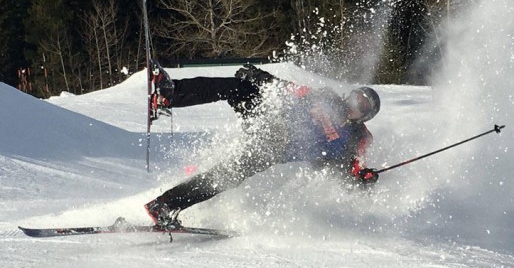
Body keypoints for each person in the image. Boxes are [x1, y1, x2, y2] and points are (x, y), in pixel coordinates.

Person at [144, 64, 381, 229]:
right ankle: (170, 95)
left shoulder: (358, 137)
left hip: (275, 149)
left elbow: (355, 168)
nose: (352, 105)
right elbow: (291, 89)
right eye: (353, 97)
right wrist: (260, 76)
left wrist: (363, 177)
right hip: (271, 121)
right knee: (238, 87)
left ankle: (163, 205)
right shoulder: (327, 97)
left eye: (360, 106)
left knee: (226, 175)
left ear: (365, 116)